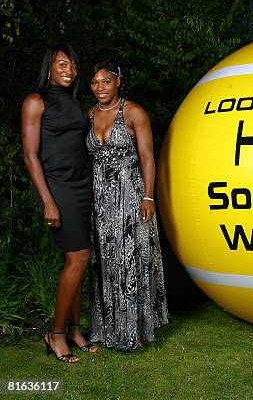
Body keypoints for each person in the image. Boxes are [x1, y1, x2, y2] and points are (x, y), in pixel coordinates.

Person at [22, 43, 97, 363]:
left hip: (83, 185)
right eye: (62, 64)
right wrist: (47, 201)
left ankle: (74, 330)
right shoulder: (36, 102)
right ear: (49, 67)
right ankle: (54, 334)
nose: (69, 70)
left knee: (82, 258)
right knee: (77, 257)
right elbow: (30, 155)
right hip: (59, 187)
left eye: (73, 66)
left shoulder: (77, 104)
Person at [86, 61, 169, 351]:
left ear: (118, 82)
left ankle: (136, 329)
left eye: (106, 82)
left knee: (131, 259)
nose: (100, 88)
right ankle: (110, 330)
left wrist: (148, 195)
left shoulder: (133, 112)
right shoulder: (90, 114)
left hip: (130, 193)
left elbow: (147, 156)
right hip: (100, 199)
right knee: (107, 260)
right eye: (95, 83)